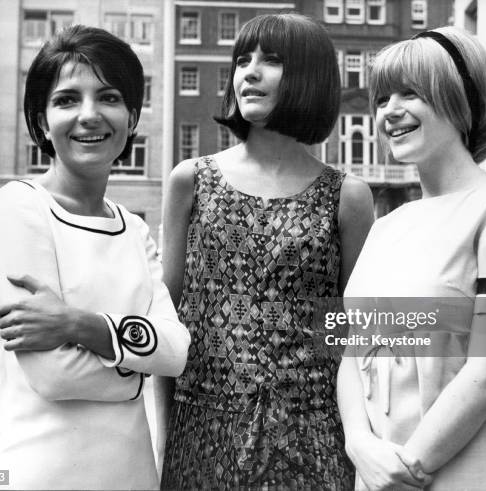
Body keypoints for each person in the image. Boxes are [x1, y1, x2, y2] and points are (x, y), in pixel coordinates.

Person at [339, 26, 486, 490]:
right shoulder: (385, 227)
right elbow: (350, 352)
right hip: (380, 471)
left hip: (474, 472)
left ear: (460, 99)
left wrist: (408, 469)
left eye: (410, 93)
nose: (389, 112)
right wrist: (359, 444)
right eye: (381, 99)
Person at [160, 13, 374, 490]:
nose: (249, 72)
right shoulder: (191, 180)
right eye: (243, 60)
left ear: (308, 77)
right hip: (201, 434)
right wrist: (162, 440)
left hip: (313, 436)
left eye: (271, 60)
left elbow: (354, 338)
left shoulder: (348, 195)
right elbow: (165, 321)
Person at [0, 25, 190, 490]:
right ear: (40, 121)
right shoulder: (17, 208)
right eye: (67, 99)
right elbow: (54, 375)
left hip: (130, 475)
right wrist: (141, 368)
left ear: (132, 116)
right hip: (33, 474)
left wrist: (79, 326)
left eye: (108, 98)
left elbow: (178, 349)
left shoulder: (131, 227)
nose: (90, 115)